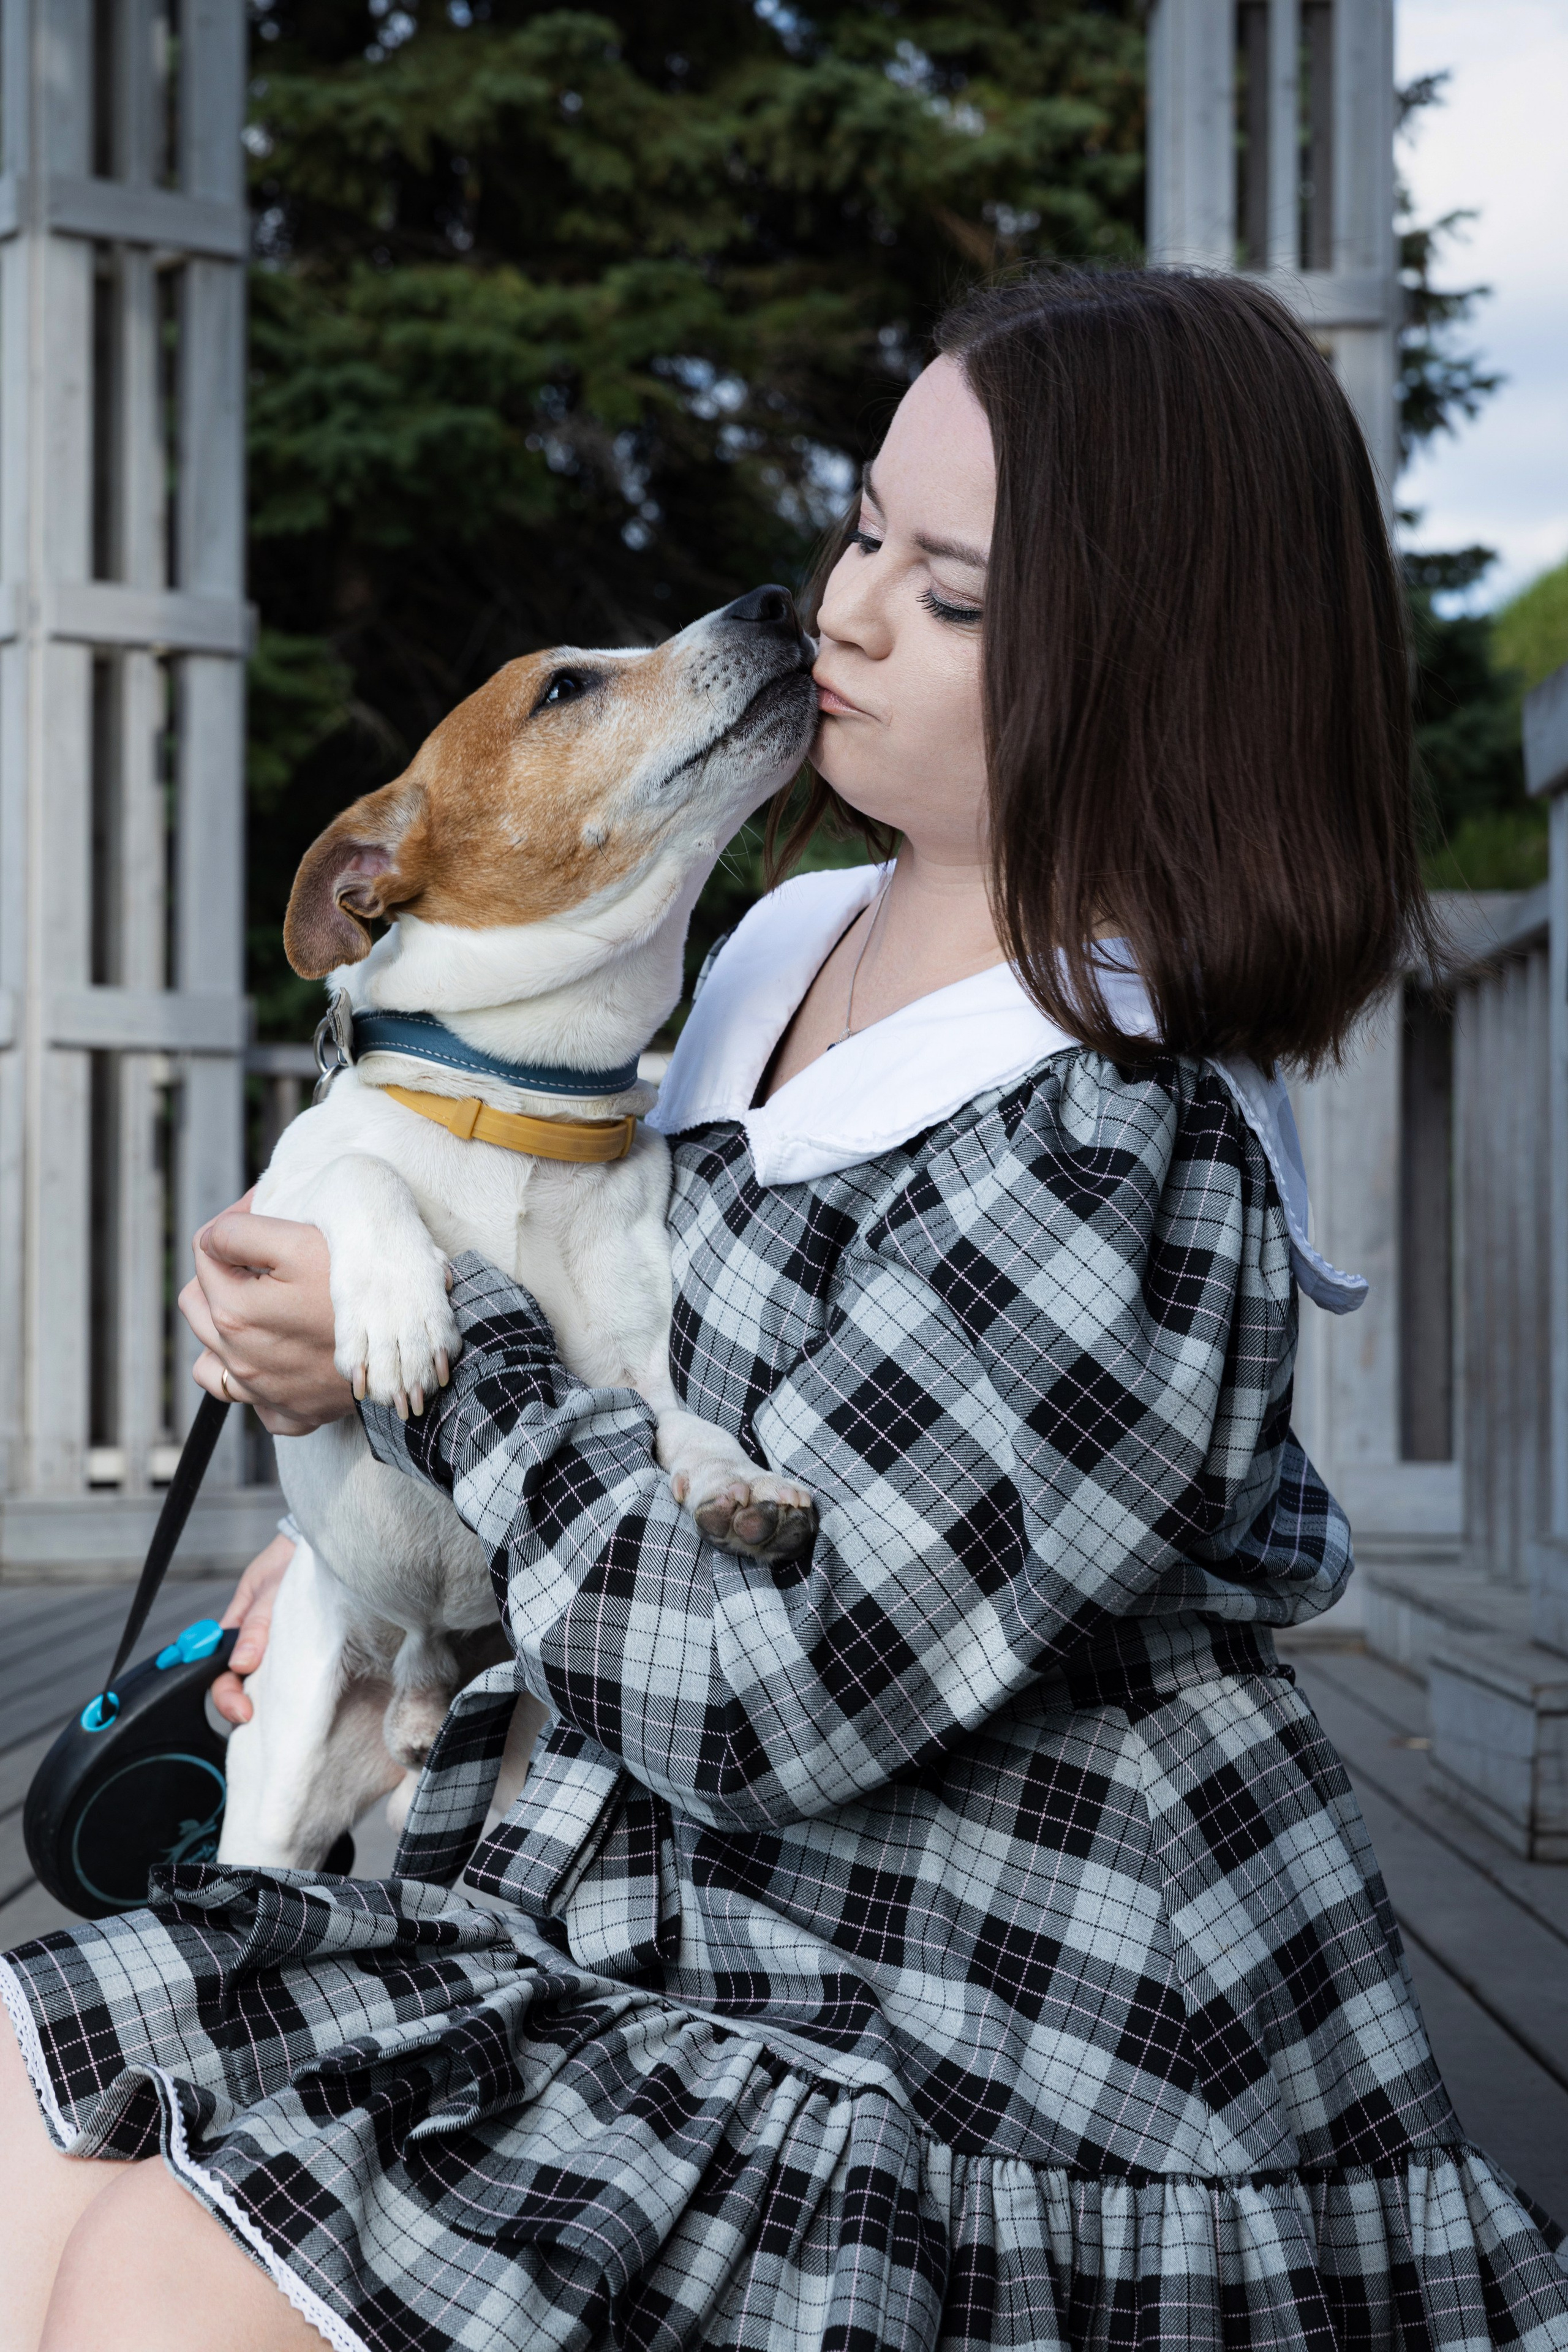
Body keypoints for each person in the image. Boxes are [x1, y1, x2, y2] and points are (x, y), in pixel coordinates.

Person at [2, 268, 1565, 2352]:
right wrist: (353, 1549)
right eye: (859, 534)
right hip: (632, 1875)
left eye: (951, 594)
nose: (839, 612)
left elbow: (770, 1688)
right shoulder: (765, 948)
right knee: (36, 2158)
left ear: (1160, 672)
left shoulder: (1117, 1146)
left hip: (994, 2000)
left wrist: (438, 1365)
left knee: (161, 2303)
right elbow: (627, 1407)